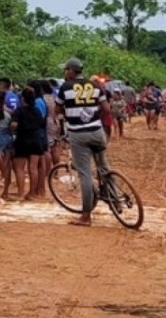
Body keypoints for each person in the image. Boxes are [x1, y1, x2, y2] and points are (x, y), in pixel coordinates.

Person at [55, 58, 111, 227]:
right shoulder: (95, 86)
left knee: (85, 174)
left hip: (78, 133)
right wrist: (92, 113)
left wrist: (66, 117)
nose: (65, 72)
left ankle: (85, 216)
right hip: (97, 131)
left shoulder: (65, 87)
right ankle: (116, 200)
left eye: (66, 69)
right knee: (104, 167)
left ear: (72, 71)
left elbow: (57, 110)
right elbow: (106, 109)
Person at [10, 87, 45, 200]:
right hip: (36, 140)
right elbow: (41, 123)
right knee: (33, 168)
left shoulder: (19, 110)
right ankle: (32, 193)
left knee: (19, 168)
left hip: (22, 140)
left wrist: (12, 127)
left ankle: (20, 193)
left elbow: (14, 125)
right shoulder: (37, 111)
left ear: (23, 99)